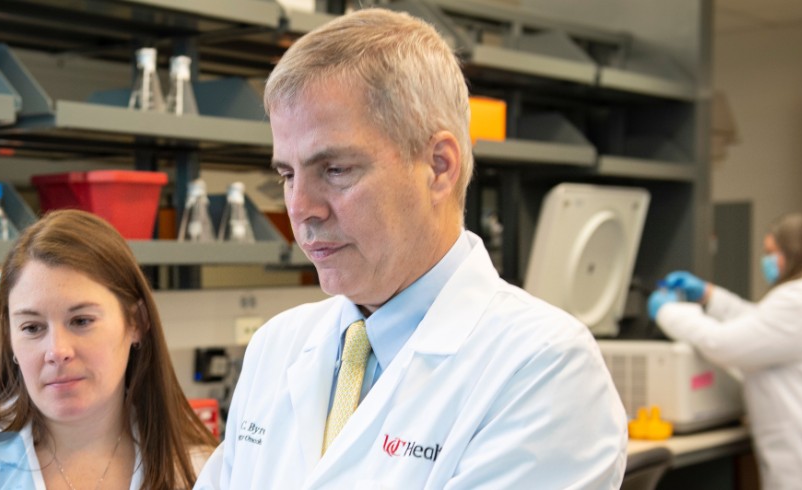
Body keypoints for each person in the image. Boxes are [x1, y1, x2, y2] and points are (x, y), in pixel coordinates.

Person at [196, 8, 627, 489]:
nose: (300, 209)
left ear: (438, 167)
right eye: (287, 175)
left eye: (335, 170)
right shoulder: (276, 347)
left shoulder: (543, 368)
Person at [0, 209, 216, 489]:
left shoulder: (203, 472)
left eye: (81, 321)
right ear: (10, 337)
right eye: (32, 328)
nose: (57, 351)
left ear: (136, 322)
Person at [649, 211, 802, 489]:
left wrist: (668, 312)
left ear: (794, 252)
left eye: (771, 252)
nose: (766, 261)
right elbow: (764, 326)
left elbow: (724, 344)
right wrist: (709, 296)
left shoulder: (800, 300)